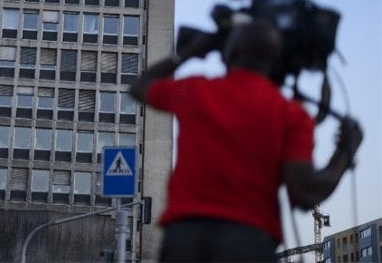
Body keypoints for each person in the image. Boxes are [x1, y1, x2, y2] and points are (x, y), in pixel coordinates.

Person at [130, 20, 363, 262]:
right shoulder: (291, 114)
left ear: (229, 53)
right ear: (274, 61)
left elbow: (140, 87)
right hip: (249, 242)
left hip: (185, 239)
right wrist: (344, 152)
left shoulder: (195, 91)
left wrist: (189, 53)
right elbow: (305, 194)